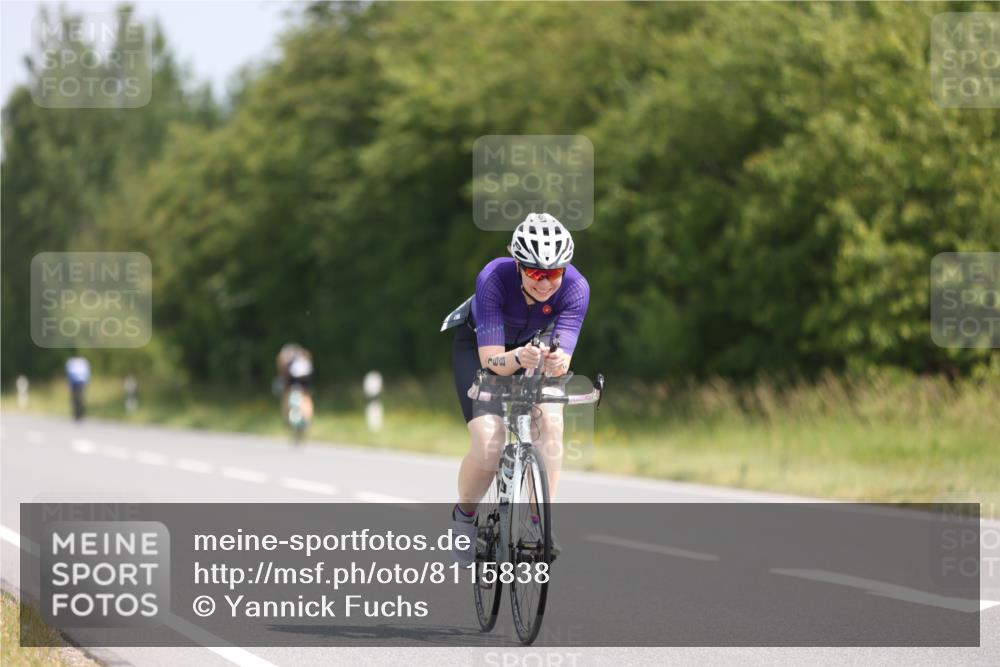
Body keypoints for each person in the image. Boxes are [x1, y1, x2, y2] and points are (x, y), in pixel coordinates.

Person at [442, 213, 589, 565]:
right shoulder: (494, 277)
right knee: (489, 442)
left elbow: (564, 354)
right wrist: (520, 357)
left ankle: (542, 522)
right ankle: (464, 517)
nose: (545, 283)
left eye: (554, 273)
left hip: (532, 347)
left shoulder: (576, 287)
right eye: (536, 273)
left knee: (551, 423)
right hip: (481, 348)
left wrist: (557, 362)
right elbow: (492, 361)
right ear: (519, 265)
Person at [276, 343, 315, 424]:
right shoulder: (303, 355)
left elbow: (282, 369)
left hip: (294, 378)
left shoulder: (286, 356)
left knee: (286, 395)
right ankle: (307, 418)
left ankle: (286, 419)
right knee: (306, 396)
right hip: (305, 377)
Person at [65, 356, 91, 422]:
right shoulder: (80, 363)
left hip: (79, 383)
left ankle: (80, 415)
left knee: (78, 399)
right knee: (76, 399)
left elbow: (69, 374)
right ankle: (77, 415)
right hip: (78, 383)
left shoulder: (72, 363)